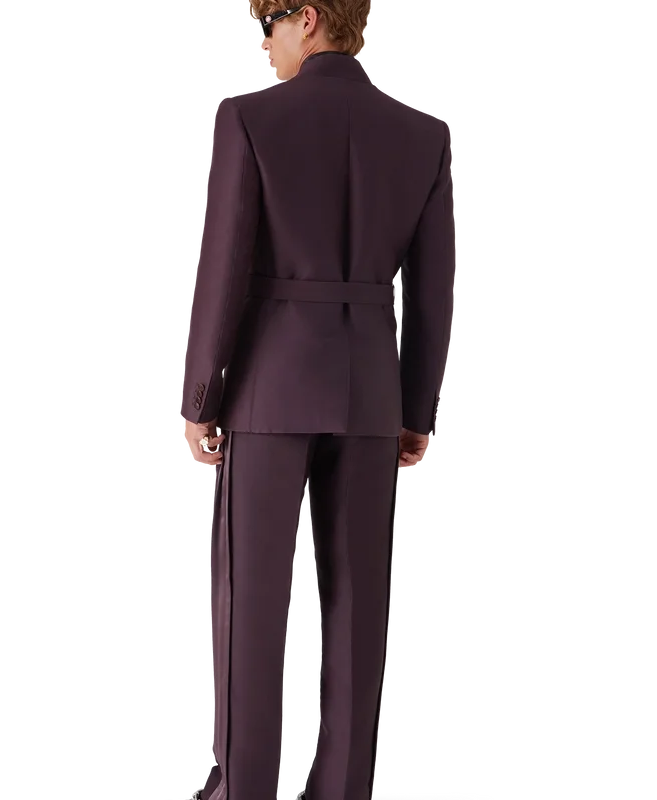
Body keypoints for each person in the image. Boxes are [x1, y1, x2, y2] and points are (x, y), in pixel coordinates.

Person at [180, 2, 456, 798]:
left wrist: (200, 400)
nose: (263, 45)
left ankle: (244, 790)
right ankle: (343, 790)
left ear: (306, 18)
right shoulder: (421, 134)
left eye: (266, 25)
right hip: (369, 395)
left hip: (268, 390)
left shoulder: (250, 119)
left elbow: (224, 269)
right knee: (361, 604)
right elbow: (432, 292)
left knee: (250, 603)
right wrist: (415, 411)